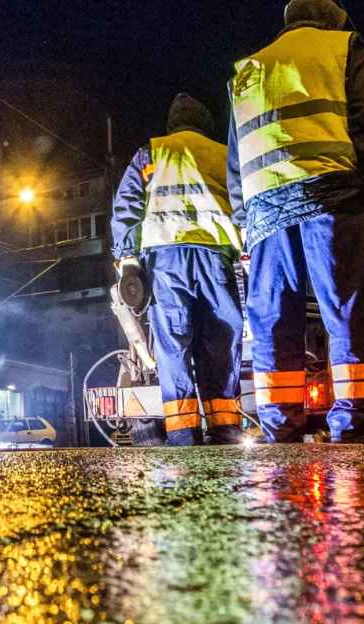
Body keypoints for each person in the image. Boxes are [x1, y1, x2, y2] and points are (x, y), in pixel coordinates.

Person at [227, 0, 364, 443]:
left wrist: (246, 219)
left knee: (271, 318)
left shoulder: (248, 68)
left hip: (264, 210)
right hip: (331, 193)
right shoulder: (343, 48)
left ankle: (280, 425)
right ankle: (356, 422)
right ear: (332, 16)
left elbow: (235, 160)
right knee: (346, 307)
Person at [111, 93, 246, 446]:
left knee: (173, 346)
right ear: (205, 123)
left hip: (165, 262)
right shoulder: (221, 153)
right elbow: (243, 201)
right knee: (221, 342)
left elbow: (126, 206)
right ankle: (225, 429)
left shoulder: (151, 153)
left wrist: (127, 261)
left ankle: (183, 433)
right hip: (215, 257)